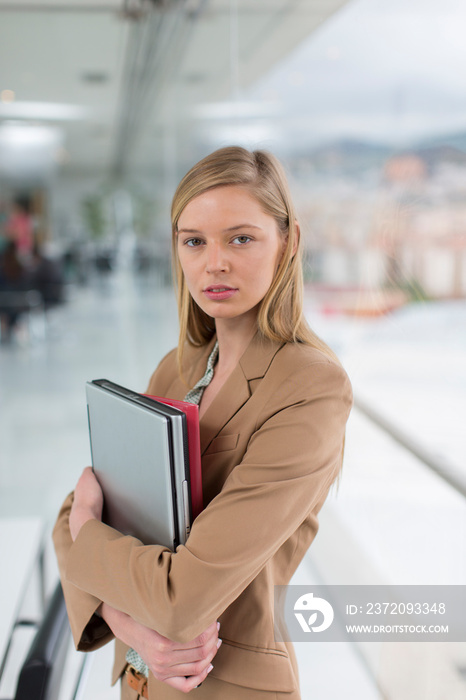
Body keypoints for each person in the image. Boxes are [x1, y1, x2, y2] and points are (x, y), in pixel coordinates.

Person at [53, 146, 353, 699]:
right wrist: (125, 622)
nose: (214, 262)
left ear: (285, 243)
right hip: (143, 680)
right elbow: (73, 512)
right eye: (194, 241)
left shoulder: (309, 386)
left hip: (224, 686)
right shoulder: (179, 366)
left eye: (240, 238)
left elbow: (180, 597)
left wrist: (89, 536)